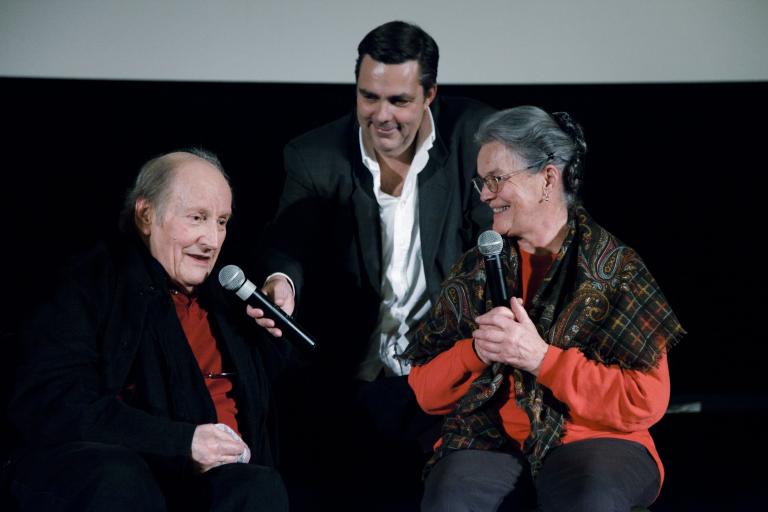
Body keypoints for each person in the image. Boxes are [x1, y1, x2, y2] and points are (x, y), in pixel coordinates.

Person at [248, 20, 494, 507]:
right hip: (353, 380)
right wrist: (282, 282)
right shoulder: (314, 154)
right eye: (368, 98)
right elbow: (288, 239)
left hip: (449, 376)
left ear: (430, 95)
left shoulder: (477, 139)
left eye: (399, 101)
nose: (381, 116)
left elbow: (501, 250)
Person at [402, 106, 686, 512]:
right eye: (481, 182)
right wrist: (477, 352)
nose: (484, 195)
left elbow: (644, 400)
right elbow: (426, 394)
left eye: (497, 180)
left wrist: (542, 359)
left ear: (548, 178)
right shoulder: (475, 270)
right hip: (493, 439)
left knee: (588, 499)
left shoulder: (615, 270)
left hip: (597, 439)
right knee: (451, 497)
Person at [5, 150, 290, 511]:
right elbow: (54, 402)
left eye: (221, 222)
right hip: (120, 472)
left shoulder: (228, 301)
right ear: (146, 215)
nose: (212, 240)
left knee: (257, 486)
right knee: (120, 478)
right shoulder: (90, 283)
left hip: (209, 484)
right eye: (197, 218)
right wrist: (180, 442)